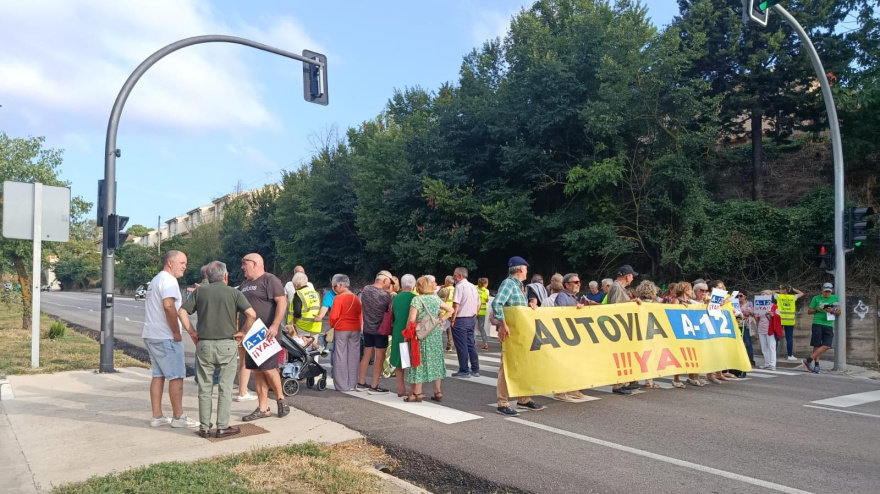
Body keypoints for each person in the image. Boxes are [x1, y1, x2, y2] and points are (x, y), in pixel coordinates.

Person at [178, 261, 256, 438]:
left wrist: (192, 332)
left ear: (208, 276)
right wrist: (243, 332)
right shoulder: (234, 293)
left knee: (205, 387)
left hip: (204, 344)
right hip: (227, 344)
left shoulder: (200, 292)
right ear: (225, 276)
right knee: (225, 387)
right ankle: (222, 427)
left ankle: (205, 427)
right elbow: (252, 314)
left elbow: (182, 312)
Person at [142, 250, 198, 428]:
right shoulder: (169, 280)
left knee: (158, 375)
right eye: (182, 263)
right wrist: (176, 332)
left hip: (151, 334)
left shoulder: (156, 280)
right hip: (165, 336)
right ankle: (178, 417)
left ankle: (157, 416)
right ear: (170, 263)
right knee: (177, 376)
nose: (184, 266)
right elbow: (168, 306)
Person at [237, 253, 290, 422]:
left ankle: (281, 399)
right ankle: (263, 408)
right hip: (251, 336)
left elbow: (282, 302)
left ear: (255, 263)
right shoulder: (244, 285)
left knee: (268, 368)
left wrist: (275, 325)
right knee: (258, 372)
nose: (242, 267)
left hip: (266, 333)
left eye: (244, 263)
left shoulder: (270, 279)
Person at [493, 256, 546, 416]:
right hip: (511, 333)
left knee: (522, 365)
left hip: (519, 333)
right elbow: (497, 303)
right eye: (526, 269)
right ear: (521, 269)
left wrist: (530, 306)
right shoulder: (509, 284)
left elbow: (516, 308)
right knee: (506, 366)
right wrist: (503, 324)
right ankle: (502, 402)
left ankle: (523, 398)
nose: (527, 272)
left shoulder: (518, 286)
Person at [404, 275, 453, 402]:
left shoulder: (417, 300)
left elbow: (411, 319)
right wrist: (442, 319)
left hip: (421, 334)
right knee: (436, 361)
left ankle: (417, 393)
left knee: (419, 361)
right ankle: (438, 392)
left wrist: (407, 333)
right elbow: (450, 310)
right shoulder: (436, 299)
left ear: (419, 287)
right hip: (435, 334)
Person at [550, 273, 592, 402]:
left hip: (573, 336)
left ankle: (573, 389)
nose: (579, 284)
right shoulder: (562, 297)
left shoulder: (572, 297)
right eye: (576, 282)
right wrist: (576, 309)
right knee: (564, 364)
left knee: (574, 363)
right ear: (567, 285)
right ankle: (560, 392)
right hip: (565, 336)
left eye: (579, 282)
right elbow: (561, 313)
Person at [606, 265, 641, 395]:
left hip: (622, 327)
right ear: (627, 276)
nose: (632, 279)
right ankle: (618, 384)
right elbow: (615, 307)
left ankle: (623, 382)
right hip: (618, 327)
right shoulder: (616, 287)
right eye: (632, 276)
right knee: (619, 356)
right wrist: (631, 302)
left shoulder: (619, 287)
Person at [356, 270, 393, 393]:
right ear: (385, 281)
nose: (390, 285)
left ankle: (361, 382)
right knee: (380, 357)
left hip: (367, 328)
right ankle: (374, 385)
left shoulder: (366, 290)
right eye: (389, 282)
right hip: (380, 330)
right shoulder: (386, 296)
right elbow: (390, 310)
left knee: (367, 354)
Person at [328, 274, 363, 390]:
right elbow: (360, 315)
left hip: (342, 329)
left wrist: (332, 325)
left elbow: (333, 316)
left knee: (340, 356)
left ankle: (342, 385)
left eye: (334, 286)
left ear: (340, 285)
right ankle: (352, 383)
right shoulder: (356, 298)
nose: (334, 289)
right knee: (353, 356)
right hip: (356, 329)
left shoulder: (339, 298)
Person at [450, 267, 481, 378]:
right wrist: (475, 314)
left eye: (454, 275)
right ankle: (475, 369)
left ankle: (464, 370)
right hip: (471, 318)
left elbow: (456, 304)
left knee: (461, 346)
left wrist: (453, 319)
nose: (453, 277)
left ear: (460, 276)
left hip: (461, 318)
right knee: (471, 344)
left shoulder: (459, 286)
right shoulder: (473, 287)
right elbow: (479, 304)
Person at [803, 283, 841, 373]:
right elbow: (809, 311)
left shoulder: (835, 298)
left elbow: (839, 312)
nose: (827, 293)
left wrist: (832, 310)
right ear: (822, 290)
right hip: (817, 322)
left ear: (831, 291)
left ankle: (808, 360)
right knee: (817, 344)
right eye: (825, 291)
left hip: (829, 324)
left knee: (828, 345)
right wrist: (818, 309)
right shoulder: (816, 298)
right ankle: (816, 365)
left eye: (829, 292)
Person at [390, 274, 417, 396]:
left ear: (401, 284)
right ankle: (412, 389)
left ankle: (401, 388)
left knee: (399, 359)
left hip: (398, 331)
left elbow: (392, 314)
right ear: (414, 285)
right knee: (411, 360)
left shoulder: (396, 298)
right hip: (412, 332)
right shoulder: (416, 298)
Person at [634, 280, 662, 389]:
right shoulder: (656, 305)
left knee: (638, 355)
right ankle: (649, 380)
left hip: (638, 332)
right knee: (650, 356)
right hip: (652, 332)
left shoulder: (636, 303)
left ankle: (634, 379)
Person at [286, 272, 322, 352]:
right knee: (314, 348)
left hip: (302, 326)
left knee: (302, 349)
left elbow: (297, 313)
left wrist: (294, 324)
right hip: (315, 325)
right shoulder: (315, 293)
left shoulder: (298, 294)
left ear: (296, 284)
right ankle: (315, 362)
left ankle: (304, 363)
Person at [773, 285, 804, 361]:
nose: (779, 290)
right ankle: (790, 356)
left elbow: (771, 292)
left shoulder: (779, 296)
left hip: (780, 320)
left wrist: (777, 291)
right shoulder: (792, 297)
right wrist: (793, 289)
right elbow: (801, 293)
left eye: (780, 289)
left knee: (776, 337)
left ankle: (773, 355)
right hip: (790, 321)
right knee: (789, 338)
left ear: (784, 290)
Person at [756, 290, 781, 371]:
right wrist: (755, 315)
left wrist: (773, 315)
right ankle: (767, 363)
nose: (762, 296)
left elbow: (779, 316)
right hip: (761, 328)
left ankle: (773, 364)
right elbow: (758, 318)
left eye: (765, 295)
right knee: (764, 347)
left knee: (771, 346)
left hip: (770, 328)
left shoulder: (774, 306)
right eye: (761, 295)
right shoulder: (759, 306)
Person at [737, 291, 757, 367]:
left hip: (746, 325)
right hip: (738, 324)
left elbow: (753, 313)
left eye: (740, 296)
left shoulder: (749, 304)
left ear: (745, 296)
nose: (739, 298)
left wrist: (749, 312)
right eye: (737, 296)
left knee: (748, 343)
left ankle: (751, 361)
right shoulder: (736, 304)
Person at [475, 277, 490, 350]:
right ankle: (485, 343)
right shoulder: (486, 291)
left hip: (474, 310)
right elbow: (487, 300)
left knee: (472, 327)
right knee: (481, 328)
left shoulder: (475, 288)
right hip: (482, 311)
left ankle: (473, 343)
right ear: (485, 284)